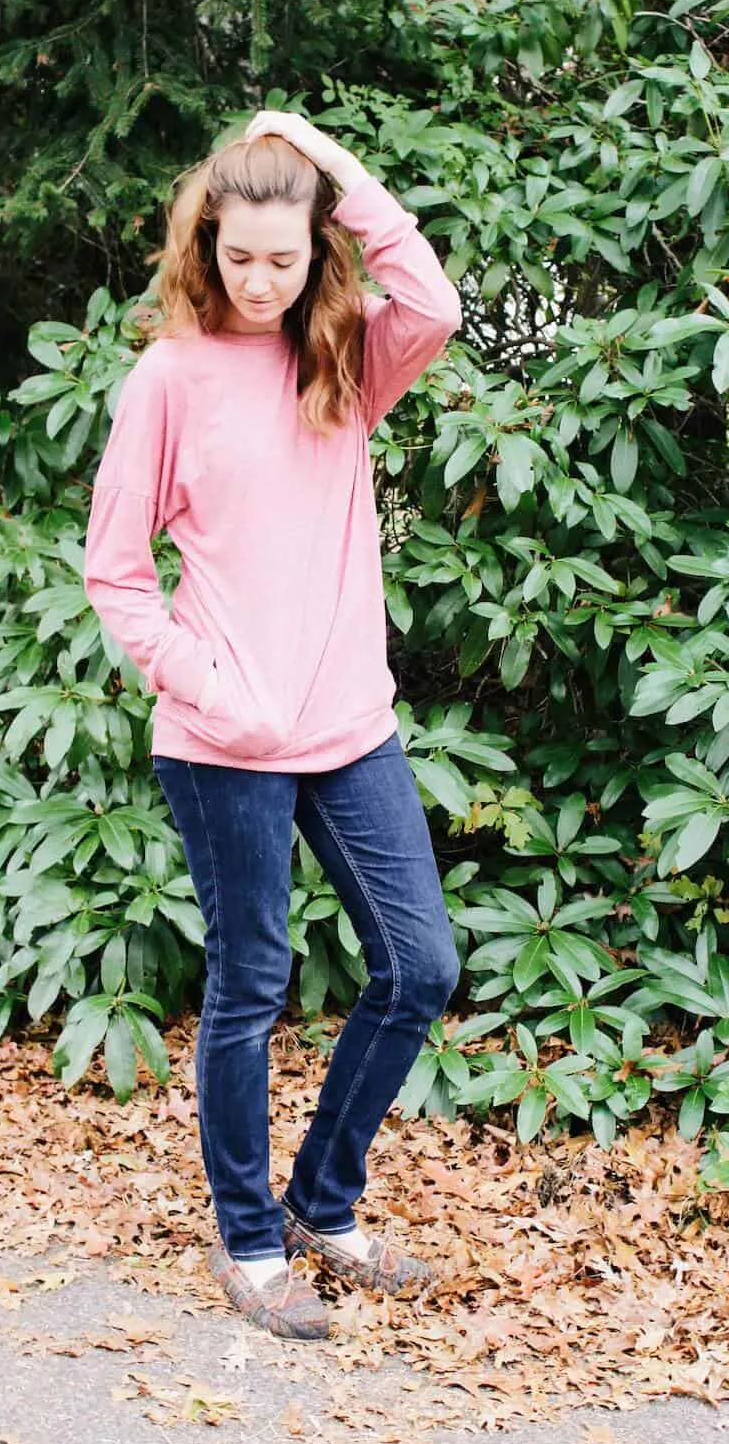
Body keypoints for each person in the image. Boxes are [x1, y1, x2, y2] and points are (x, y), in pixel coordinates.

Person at [82, 109, 463, 1341]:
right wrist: (210, 687)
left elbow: (433, 299)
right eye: (236, 256)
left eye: (282, 258)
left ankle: (321, 1201)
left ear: (314, 251)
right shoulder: (168, 377)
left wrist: (316, 150)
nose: (257, 281)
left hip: (350, 725)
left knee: (419, 968)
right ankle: (249, 1240)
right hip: (222, 743)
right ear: (206, 245)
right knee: (252, 982)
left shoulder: (344, 360)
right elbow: (115, 575)